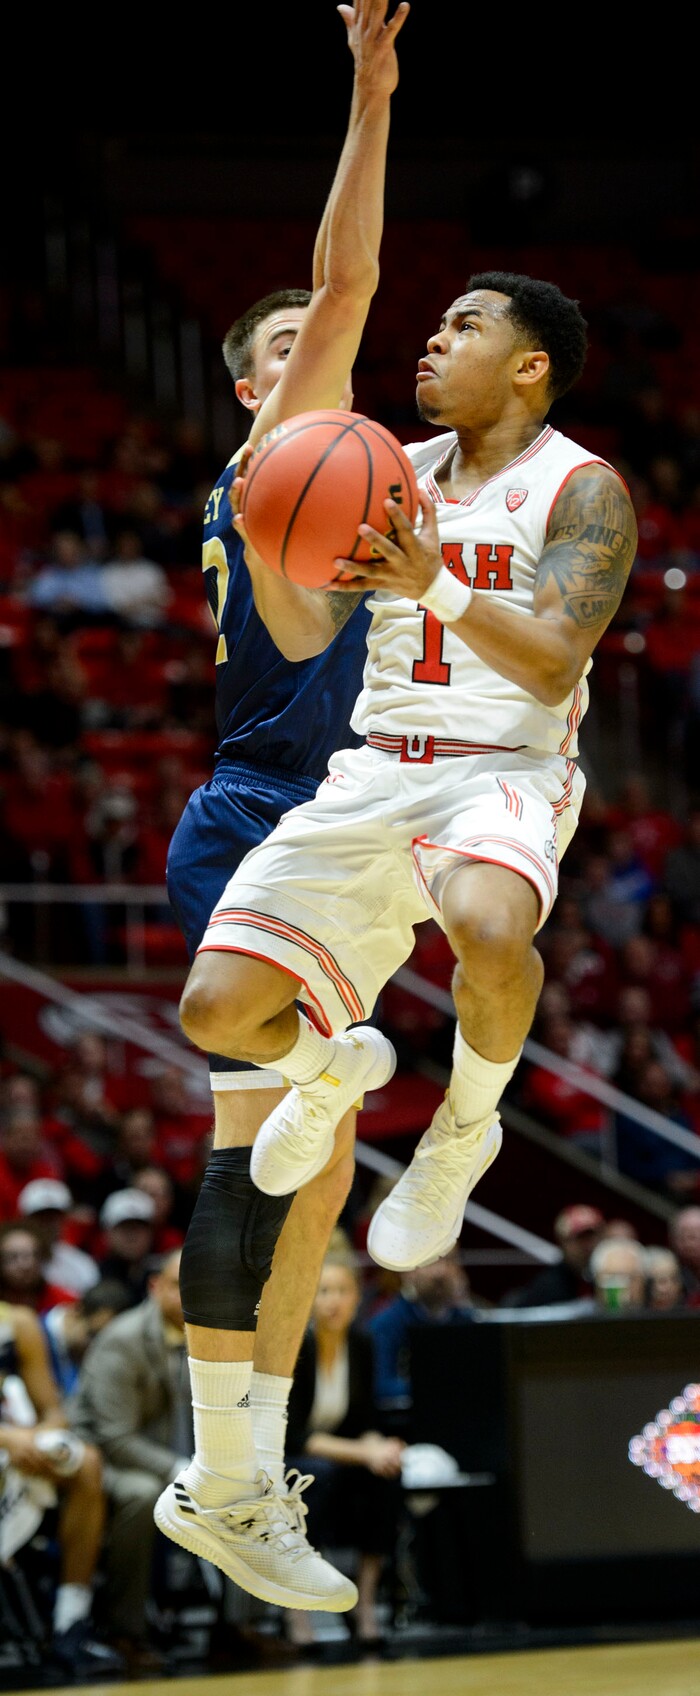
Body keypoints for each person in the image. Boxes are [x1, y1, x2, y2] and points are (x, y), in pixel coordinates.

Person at [179, 271, 637, 1283]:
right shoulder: (388, 467)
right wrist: (266, 536)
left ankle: (464, 1129)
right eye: (434, 324)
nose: (431, 340)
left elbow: (558, 660)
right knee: (214, 1011)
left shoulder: (581, 486)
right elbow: (305, 634)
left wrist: (431, 579)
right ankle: (335, 1067)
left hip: (504, 774)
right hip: (374, 769)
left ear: (530, 365)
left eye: (463, 327)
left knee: (486, 922)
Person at [154, 0, 410, 1618]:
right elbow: (348, 286)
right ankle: (222, 1473)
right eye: (271, 365)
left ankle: (238, 1478)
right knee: (279, 1134)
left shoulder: (378, 512)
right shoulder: (278, 467)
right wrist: (372, 94)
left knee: (296, 1181)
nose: (296, 370)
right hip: (264, 820)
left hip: (346, 838)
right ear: (255, 394)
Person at [70, 1249, 191, 1676]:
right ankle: (124, 1631)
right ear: (156, 1288)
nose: (189, 1294)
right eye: (178, 1284)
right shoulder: (124, 1339)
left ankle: (235, 1628)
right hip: (97, 1462)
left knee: (243, 1484)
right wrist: (179, 1469)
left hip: (167, 1457)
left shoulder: (207, 1332)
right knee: (142, 1495)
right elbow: (114, 1437)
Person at [284, 1250, 405, 1652]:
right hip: (288, 1458)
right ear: (309, 1299)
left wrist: (381, 1448)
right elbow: (296, 1436)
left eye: (342, 1291)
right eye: (323, 1291)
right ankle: (296, 1611)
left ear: (357, 1298)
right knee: (321, 1475)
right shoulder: (295, 1346)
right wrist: (364, 1452)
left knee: (386, 1475)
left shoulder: (362, 1342)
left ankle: (364, 1603)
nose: (333, 1301)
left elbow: (366, 1421)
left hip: (339, 1454)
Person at [0, 1296, 122, 1679]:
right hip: (6, 1441)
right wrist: (8, 1440)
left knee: (86, 1463)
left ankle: (70, 1622)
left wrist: (34, 1438)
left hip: (16, 1443)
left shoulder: (17, 1322)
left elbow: (54, 1412)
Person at [366, 1250, 474, 1418]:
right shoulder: (386, 1323)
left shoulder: (467, 1320)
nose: (441, 1272)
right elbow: (382, 1386)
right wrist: (443, 1387)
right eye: (431, 1261)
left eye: (449, 1260)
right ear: (408, 1271)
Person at [500, 1204, 605, 1310]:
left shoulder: (600, 1280)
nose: (589, 1246)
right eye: (581, 1239)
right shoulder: (549, 1287)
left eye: (594, 1237)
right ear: (563, 1242)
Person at [17, 1177, 101, 1296]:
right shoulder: (12, 1262)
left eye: (53, 1217)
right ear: (25, 1220)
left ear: (65, 1219)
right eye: (40, 1217)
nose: (46, 1224)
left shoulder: (82, 1264)